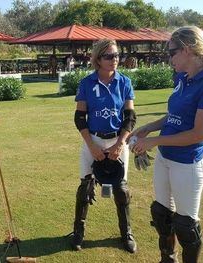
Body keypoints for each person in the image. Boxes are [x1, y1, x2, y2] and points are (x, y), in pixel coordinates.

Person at [131, 26, 203, 263]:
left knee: (186, 226)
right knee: (162, 214)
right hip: (166, 158)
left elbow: (198, 134)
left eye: (171, 52)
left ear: (187, 50)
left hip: (187, 163)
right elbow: (174, 116)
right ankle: (167, 259)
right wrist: (149, 128)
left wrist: (153, 141)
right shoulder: (182, 77)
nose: (169, 59)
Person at [71, 39, 137, 253]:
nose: (114, 60)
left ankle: (126, 233)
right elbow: (80, 117)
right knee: (85, 188)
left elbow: (129, 117)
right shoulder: (86, 83)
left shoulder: (124, 82)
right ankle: (78, 232)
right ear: (98, 59)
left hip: (117, 141)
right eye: (109, 56)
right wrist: (92, 146)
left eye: (117, 55)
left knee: (121, 189)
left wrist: (120, 144)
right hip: (93, 140)